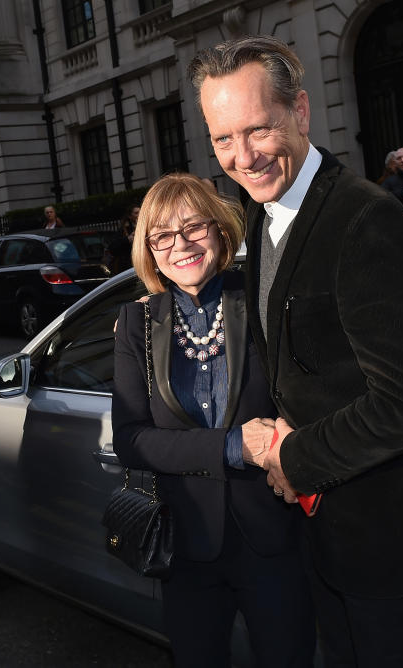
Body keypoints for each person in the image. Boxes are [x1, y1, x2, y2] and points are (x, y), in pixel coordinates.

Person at [189, 35, 403, 667]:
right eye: (222, 139)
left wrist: (296, 457)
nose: (242, 157)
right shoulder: (264, 213)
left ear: (300, 113)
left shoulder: (365, 220)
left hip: (385, 542)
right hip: (320, 537)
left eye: (258, 130)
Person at [111, 173, 315, 668]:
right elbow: (131, 439)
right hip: (187, 545)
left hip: (274, 536)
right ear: (151, 251)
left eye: (194, 227)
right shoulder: (136, 324)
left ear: (221, 232)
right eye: (162, 235)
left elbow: (310, 389)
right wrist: (232, 446)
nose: (180, 244)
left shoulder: (263, 298)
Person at [109, 205, 139, 274]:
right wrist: (127, 239)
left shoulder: (146, 227)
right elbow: (112, 248)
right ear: (130, 216)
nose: (139, 215)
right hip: (129, 267)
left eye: (141, 212)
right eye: (136, 213)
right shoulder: (124, 230)